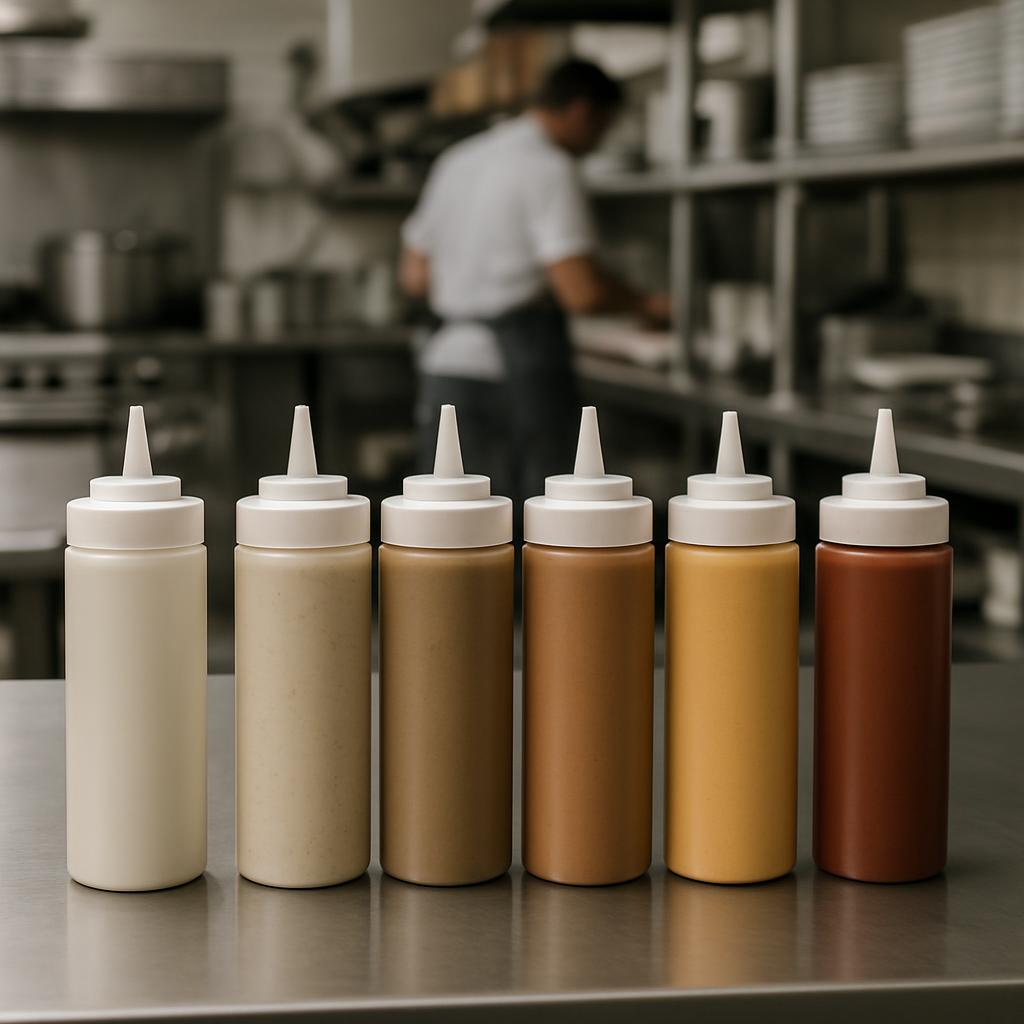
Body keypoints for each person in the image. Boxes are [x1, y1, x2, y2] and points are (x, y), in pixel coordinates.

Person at [400, 58, 669, 500]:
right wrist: (649, 305)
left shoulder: (459, 159)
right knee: (533, 531)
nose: (600, 144)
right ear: (583, 111)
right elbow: (581, 292)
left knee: (450, 527)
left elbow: (414, 276)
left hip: (445, 365)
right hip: (512, 375)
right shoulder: (549, 167)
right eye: (604, 128)